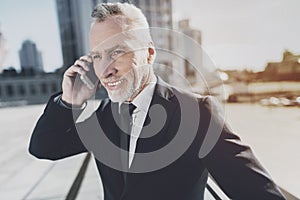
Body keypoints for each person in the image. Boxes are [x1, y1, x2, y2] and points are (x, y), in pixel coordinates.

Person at [29, 3, 286, 200]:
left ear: (149, 53)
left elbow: (258, 193)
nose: (105, 69)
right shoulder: (106, 113)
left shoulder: (197, 113)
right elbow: (45, 147)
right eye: (97, 56)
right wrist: (68, 102)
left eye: (117, 52)